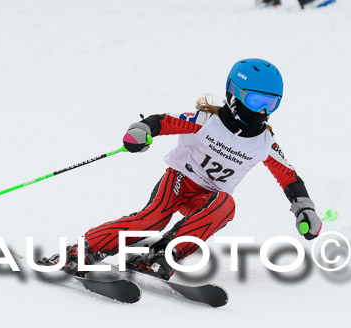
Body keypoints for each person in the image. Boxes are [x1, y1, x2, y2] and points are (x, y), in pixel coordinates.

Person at [54, 58, 322, 280]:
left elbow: (289, 178)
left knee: (226, 206)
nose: (263, 111)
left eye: (271, 104)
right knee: (152, 219)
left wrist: (304, 209)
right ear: (234, 94)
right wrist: (142, 130)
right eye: (255, 101)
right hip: (180, 180)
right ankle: (83, 250)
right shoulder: (207, 121)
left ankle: (163, 255)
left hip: (206, 199)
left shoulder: (264, 143)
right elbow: (164, 122)